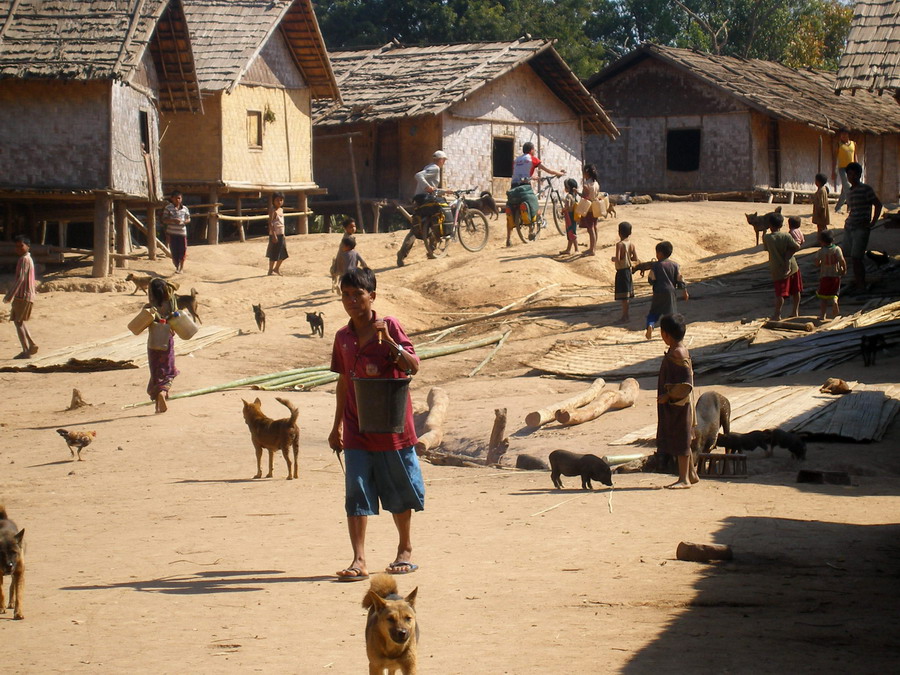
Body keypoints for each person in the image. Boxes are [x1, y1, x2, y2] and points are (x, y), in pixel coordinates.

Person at [329, 267, 424, 581]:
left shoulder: (391, 326)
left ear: (373, 296)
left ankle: (405, 550)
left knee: (398, 488)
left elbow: (413, 367)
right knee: (356, 491)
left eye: (358, 294)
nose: (352, 301)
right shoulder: (342, 337)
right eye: (346, 295)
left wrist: (391, 345)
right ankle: (358, 560)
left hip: (391, 424)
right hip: (357, 426)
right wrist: (337, 425)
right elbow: (344, 381)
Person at [656, 313, 698, 489]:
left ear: (666, 334)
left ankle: (684, 479)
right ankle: (692, 474)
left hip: (679, 404)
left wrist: (668, 396)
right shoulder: (677, 351)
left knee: (682, 439)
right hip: (675, 405)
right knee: (680, 437)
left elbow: (685, 385)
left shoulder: (678, 353)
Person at [398, 151, 449, 266]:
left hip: (419, 201)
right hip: (427, 202)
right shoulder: (435, 168)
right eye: (444, 160)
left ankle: (402, 254)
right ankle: (432, 249)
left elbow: (432, 188)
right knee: (438, 220)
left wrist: (444, 191)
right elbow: (418, 176)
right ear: (440, 160)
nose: (444, 162)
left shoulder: (429, 167)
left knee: (416, 229)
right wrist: (428, 187)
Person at [843, 162, 882, 293]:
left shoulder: (866, 189)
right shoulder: (849, 191)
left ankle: (861, 286)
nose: (852, 177)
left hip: (861, 228)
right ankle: (856, 282)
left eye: (855, 174)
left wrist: (873, 222)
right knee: (849, 256)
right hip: (849, 226)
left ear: (859, 175)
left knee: (857, 258)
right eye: (849, 174)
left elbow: (878, 204)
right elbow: (852, 209)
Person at [146, 278, 178, 414]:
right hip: (167, 340)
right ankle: (163, 393)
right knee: (167, 369)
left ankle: (157, 403)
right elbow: (175, 287)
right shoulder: (170, 304)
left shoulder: (149, 307)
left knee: (155, 370)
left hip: (153, 341)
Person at [3, 234, 38, 359]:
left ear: (28, 246)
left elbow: (21, 278)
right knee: (19, 321)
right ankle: (31, 344)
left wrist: (9, 295)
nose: (18, 249)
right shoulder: (27, 258)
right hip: (25, 294)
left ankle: (26, 350)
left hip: (23, 295)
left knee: (18, 322)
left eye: (21, 246)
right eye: (17, 246)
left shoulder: (24, 259)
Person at [644, 241, 688, 340]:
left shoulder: (655, 266)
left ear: (659, 253)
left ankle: (650, 325)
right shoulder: (675, 265)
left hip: (658, 292)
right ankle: (671, 333)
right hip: (671, 293)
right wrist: (684, 291)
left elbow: (651, 280)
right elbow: (680, 279)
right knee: (671, 315)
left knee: (653, 313)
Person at [763, 213, 802, 320]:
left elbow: (766, 249)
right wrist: (788, 254)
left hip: (777, 268)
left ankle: (777, 314)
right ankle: (795, 311)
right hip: (792, 267)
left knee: (780, 294)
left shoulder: (767, 237)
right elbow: (797, 246)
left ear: (770, 225)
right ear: (781, 225)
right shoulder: (786, 236)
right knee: (795, 291)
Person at [814, 229, 846, 321]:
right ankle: (835, 301)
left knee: (823, 297)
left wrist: (820, 264)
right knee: (834, 293)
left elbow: (816, 262)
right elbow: (842, 260)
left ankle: (822, 315)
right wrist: (844, 269)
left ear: (821, 241)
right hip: (835, 275)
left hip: (824, 276)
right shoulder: (837, 249)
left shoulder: (821, 251)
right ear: (833, 240)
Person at [611, 221, 639, 323]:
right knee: (626, 295)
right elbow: (635, 258)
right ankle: (626, 315)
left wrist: (613, 259)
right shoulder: (631, 244)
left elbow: (618, 258)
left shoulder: (620, 244)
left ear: (619, 232)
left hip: (621, 271)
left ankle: (625, 316)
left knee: (623, 297)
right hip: (628, 271)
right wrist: (628, 257)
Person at [575, 164, 605, 256]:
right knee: (595, 227)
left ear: (586, 173)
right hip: (595, 206)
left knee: (590, 229)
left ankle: (592, 250)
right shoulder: (596, 183)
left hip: (588, 208)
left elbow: (585, 196)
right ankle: (593, 248)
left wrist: (577, 192)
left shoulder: (587, 184)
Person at [162, 191, 190, 273]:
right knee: (174, 251)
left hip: (182, 232)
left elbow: (189, 218)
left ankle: (181, 268)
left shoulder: (185, 209)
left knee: (183, 250)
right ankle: (177, 266)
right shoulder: (168, 208)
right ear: (172, 198)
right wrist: (173, 220)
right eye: (176, 198)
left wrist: (184, 221)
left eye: (179, 198)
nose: (178, 200)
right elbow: (164, 220)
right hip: (172, 233)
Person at [832, 130, 857, 213]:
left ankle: (838, 207)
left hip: (852, 168)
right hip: (842, 168)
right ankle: (851, 205)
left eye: (844, 134)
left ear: (848, 134)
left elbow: (855, 155)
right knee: (847, 186)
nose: (843, 136)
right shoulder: (838, 144)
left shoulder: (853, 144)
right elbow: (835, 158)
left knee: (844, 190)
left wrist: (857, 167)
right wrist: (834, 170)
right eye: (841, 135)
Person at [331, 218, 358, 292]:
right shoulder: (348, 238)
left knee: (342, 273)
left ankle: (338, 284)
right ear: (345, 228)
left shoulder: (347, 236)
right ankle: (341, 286)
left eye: (354, 226)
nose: (353, 228)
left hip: (342, 257)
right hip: (345, 259)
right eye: (351, 227)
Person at [266, 192, 289, 276]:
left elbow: (281, 223)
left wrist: (284, 235)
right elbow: (271, 223)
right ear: (273, 201)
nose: (279, 202)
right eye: (277, 200)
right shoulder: (273, 210)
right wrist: (274, 235)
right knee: (273, 253)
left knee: (283, 253)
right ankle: (270, 270)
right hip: (275, 235)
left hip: (281, 234)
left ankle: (276, 269)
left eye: (281, 200)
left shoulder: (281, 210)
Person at [558, 178, 580, 255]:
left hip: (569, 217)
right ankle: (568, 249)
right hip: (572, 216)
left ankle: (577, 249)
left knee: (571, 232)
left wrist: (563, 210)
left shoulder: (568, 196)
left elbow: (568, 206)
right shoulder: (574, 196)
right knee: (570, 232)